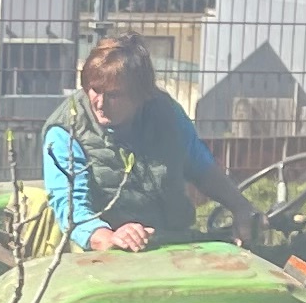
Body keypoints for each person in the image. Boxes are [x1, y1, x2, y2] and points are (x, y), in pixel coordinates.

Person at [41, 33, 263, 256]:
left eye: (114, 95)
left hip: (177, 246)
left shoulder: (165, 114)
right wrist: (109, 237)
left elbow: (201, 166)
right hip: (104, 258)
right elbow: (70, 207)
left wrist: (241, 207)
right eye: (94, 90)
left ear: (141, 94)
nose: (100, 103)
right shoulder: (66, 131)